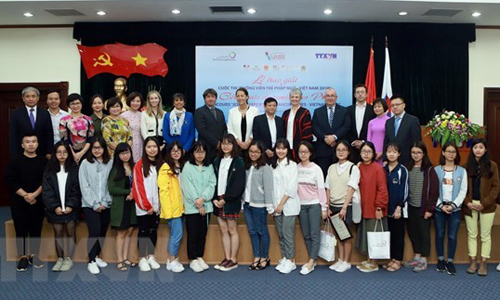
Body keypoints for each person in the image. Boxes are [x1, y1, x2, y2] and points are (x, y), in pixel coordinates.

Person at [4, 133, 47, 271]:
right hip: (19, 201)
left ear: (37, 144)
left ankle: (34, 255)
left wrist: (34, 195)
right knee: (21, 229)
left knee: (36, 228)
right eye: (27, 142)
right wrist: (26, 195)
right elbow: (10, 179)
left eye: (34, 141)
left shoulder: (43, 161)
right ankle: (23, 257)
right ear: (22, 145)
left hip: (37, 200)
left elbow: (45, 180)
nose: (31, 144)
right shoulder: (15, 161)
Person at [463, 138, 500, 276]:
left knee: (485, 235)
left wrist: (484, 203)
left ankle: (483, 263)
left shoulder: (492, 166)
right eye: (475, 147)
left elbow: (496, 187)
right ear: (472, 150)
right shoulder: (466, 166)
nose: (478, 150)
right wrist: (467, 202)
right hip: (470, 204)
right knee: (472, 235)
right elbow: (462, 188)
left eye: (481, 147)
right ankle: (473, 261)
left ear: (485, 150)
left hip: (487, 206)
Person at [42, 141, 80, 272]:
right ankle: (60, 259)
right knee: (58, 233)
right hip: (55, 209)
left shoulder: (74, 168)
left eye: (64, 152)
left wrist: (70, 205)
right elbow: (47, 191)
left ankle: (69, 259)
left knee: (70, 232)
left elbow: (77, 190)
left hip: (71, 208)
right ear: (55, 154)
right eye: (59, 152)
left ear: (68, 154)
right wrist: (54, 207)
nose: (62, 155)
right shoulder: (49, 170)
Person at [79, 136, 113, 274]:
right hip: (89, 205)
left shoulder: (110, 162)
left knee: (103, 232)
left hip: (106, 204)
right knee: (95, 231)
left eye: (99, 147)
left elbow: (111, 184)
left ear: (104, 148)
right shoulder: (85, 164)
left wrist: (104, 202)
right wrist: (95, 203)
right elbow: (84, 185)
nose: (97, 150)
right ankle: (91, 260)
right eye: (94, 148)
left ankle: (97, 256)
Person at [180, 141, 216, 273]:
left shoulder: (209, 166)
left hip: (206, 206)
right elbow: (187, 186)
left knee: (202, 234)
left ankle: (200, 256)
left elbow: (212, 184)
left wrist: (203, 199)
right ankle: (192, 259)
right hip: (191, 207)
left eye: (202, 151)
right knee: (193, 233)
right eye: (197, 151)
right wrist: (197, 201)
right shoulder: (188, 166)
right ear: (193, 153)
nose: (200, 154)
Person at [404, 142, 439, 273]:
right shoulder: (408, 168)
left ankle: (424, 259)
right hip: (411, 206)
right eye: (413, 152)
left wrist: (430, 209)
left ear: (423, 154)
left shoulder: (429, 170)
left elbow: (434, 192)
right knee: (413, 231)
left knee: (424, 233)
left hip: (423, 208)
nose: (416, 155)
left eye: (418, 152)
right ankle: (417, 256)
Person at [212, 133, 245, 271]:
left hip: (230, 200)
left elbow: (239, 185)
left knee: (232, 229)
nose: (226, 146)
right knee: (223, 229)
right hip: (217, 199)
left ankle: (233, 259)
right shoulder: (216, 160)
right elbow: (212, 181)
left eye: (229, 143)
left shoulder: (238, 161)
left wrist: (225, 199)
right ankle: (226, 258)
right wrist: (214, 198)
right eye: (224, 143)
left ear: (233, 145)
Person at [325, 140, 360, 273]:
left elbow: (351, 188)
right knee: (337, 235)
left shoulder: (353, 167)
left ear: (349, 152)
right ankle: (340, 259)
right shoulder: (331, 167)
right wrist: (327, 206)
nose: (340, 152)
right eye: (338, 150)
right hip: (333, 206)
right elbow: (327, 187)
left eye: (343, 150)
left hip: (346, 206)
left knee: (345, 235)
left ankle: (346, 261)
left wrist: (344, 207)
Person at [434, 143, 467, 275]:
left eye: (453, 151)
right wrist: (441, 206)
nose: (451, 154)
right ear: (443, 153)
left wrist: (453, 205)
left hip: (455, 210)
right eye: (448, 151)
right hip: (439, 209)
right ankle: (441, 260)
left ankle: (450, 261)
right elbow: (433, 191)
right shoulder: (436, 170)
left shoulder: (461, 171)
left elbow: (463, 191)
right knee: (440, 235)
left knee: (452, 236)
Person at [355, 141, 389, 273]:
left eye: (369, 152)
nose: (366, 154)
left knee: (374, 234)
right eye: (364, 151)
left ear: (374, 154)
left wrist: (379, 207)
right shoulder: (359, 167)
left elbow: (382, 189)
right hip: (363, 206)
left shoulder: (378, 168)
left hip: (375, 208)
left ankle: (374, 262)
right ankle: (369, 260)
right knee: (367, 234)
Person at [296, 141, 327, 275]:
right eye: (300, 151)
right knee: (306, 234)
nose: (303, 154)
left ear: (310, 153)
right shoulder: (295, 167)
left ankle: (311, 261)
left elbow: (321, 189)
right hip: (300, 205)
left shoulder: (316, 169)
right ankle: (312, 260)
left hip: (314, 204)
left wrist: (324, 207)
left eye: (305, 151)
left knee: (314, 234)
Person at [244, 140, 274, 271]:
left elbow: (268, 189)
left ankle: (264, 257)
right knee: (252, 231)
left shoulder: (265, 168)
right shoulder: (247, 166)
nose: (253, 154)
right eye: (251, 151)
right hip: (247, 204)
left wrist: (269, 206)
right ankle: (256, 256)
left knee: (262, 231)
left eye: (256, 151)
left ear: (261, 153)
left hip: (260, 205)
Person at [271, 138, 300, 274]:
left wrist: (281, 204)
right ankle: (285, 257)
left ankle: (291, 260)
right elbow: (271, 187)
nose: (280, 151)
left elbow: (291, 187)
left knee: (288, 234)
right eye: (278, 148)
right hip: (276, 206)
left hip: (288, 205)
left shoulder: (293, 165)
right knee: (281, 234)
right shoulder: (272, 166)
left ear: (288, 150)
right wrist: (275, 206)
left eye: (283, 148)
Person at [108, 143, 137, 271]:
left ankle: (125, 258)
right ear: (118, 155)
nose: (125, 156)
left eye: (127, 153)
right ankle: (119, 260)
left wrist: (133, 194)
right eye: (122, 153)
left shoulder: (135, 167)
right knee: (121, 233)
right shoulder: (115, 169)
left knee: (129, 231)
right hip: (121, 204)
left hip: (133, 204)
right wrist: (128, 192)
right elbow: (112, 188)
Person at [159, 140, 186, 273]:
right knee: (176, 235)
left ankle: (173, 259)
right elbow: (163, 191)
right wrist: (168, 211)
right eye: (173, 151)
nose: (176, 153)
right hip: (172, 208)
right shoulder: (165, 168)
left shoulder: (182, 166)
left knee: (176, 235)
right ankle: (171, 259)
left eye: (178, 150)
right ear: (169, 152)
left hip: (182, 207)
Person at [312, 88, 350, 177]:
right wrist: (325, 138)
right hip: (322, 150)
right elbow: (314, 127)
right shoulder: (317, 111)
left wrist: (334, 137)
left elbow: (346, 126)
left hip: (339, 149)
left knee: (340, 176)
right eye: (328, 96)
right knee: (323, 176)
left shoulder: (344, 111)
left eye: (332, 96)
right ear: (324, 97)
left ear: (336, 97)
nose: (330, 98)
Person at [383, 143, 409, 272]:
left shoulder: (402, 170)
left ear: (399, 154)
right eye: (389, 151)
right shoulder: (383, 169)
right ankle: (391, 259)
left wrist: (399, 207)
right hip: (385, 210)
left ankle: (398, 260)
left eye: (394, 152)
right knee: (390, 236)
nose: (391, 154)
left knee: (398, 236)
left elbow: (404, 190)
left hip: (398, 209)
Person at [9, 86, 53, 158]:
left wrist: (49, 152)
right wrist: (14, 154)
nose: (30, 99)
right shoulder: (16, 114)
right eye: (27, 96)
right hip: (22, 153)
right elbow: (13, 135)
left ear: (38, 98)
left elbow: (49, 133)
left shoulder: (45, 113)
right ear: (23, 98)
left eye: (33, 96)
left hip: (42, 153)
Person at [383, 95, 421, 165]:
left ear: (403, 105)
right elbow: (386, 142)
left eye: (397, 104)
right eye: (392, 105)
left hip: (408, 160)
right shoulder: (389, 122)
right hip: (392, 161)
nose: (395, 107)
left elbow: (417, 141)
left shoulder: (413, 120)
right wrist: (385, 159)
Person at [59, 93, 95, 164]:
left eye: (78, 103)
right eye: (72, 104)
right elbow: (64, 139)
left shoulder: (88, 119)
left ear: (82, 104)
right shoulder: (64, 120)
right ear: (69, 105)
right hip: (70, 153)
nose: (75, 106)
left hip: (86, 153)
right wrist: (74, 154)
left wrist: (81, 153)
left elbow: (90, 138)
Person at [194, 88, 227, 160]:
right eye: (208, 97)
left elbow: (224, 128)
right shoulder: (199, 111)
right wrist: (216, 143)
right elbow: (202, 130)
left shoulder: (220, 112)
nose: (210, 99)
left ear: (216, 99)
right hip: (206, 147)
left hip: (220, 149)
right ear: (204, 99)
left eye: (213, 97)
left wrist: (223, 143)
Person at [347, 84, 376, 163]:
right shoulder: (348, 110)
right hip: (352, 148)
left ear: (366, 94)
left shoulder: (373, 110)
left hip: (367, 148)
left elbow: (374, 129)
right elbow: (346, 128)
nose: (360, 94)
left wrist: (363, 142)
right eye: (358, 92)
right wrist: (353, 142)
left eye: (362, 92)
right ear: (354, 95)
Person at [282, 88, 313, 160]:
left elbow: (307, 130)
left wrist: (303, 146)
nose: (294, 99)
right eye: (292, 97)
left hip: (299, 146)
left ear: (301, 98)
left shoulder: (305, 112)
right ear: (289, 98)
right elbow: (282, 129)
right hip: (286, 147)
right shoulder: (286, 113)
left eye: (296, 97)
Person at [252, 97, 285, 162]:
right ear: (265, 106)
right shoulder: (258, 120)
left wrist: (277, 150)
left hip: (277, 153)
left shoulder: (280, 120)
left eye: (274, 106)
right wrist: (266, 149)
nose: (272, 107)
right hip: (262, 153)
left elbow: (282, 137)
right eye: (269, 105)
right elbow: (256, 137)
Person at [227, 88, 259, 155]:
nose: (240, 98)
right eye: (238, 96)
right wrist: (239, 142)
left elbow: (256, 128)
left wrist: (248, 142)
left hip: (251, 146)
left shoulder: (255, 111)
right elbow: (230, 129)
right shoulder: (232, 111)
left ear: (247, 97)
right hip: (236, 145)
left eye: (242, 96)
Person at [121, 92, 144, 162]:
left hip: (140, 143)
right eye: (133, 101)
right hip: (128, 143)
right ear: (129, 102)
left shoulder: (143, 115)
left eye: (138, 101)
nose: (135, 103)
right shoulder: (123, 116)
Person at [367, 98, 390, 165]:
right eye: (375, 107)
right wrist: (372, 152)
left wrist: (382, 152)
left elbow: (389, 139)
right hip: (372, 153)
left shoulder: (389, 121)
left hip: (385, 152)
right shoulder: (371, 122)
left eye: (379, 106)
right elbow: (369, 138)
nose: (377, 109)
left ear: (384, 107)